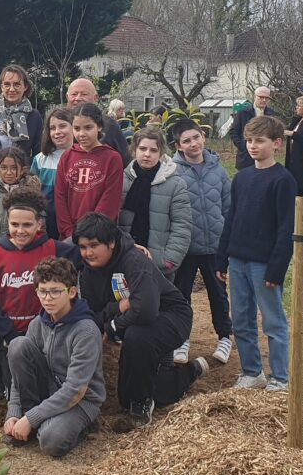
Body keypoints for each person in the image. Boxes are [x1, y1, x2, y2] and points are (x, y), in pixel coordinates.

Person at [75, 214, 207, 429]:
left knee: (137, 336)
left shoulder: (134, 260)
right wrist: (118, 307)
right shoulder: (88, 273)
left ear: (111, 243)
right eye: (83, 247)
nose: (88, 253)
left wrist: (112, 326)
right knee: (124, 397)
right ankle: (188, 372)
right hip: (133, 321)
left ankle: (142, 402)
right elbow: (93, 315)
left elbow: (146, 309)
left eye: (94, 245)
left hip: (172, 316)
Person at [0, 187, 81, 399]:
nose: (20, 230)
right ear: (7, 222)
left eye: (27, 225)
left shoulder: (52, 248)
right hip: (6, 329)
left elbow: (88, 251)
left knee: (35, 385)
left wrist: (129, 246)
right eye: (15, 224)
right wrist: (7, 331)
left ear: (39, 224)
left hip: (41, 329)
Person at [217, 115, 296, 392]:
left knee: (273, 322)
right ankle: (252, 372)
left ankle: (280, 377)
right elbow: (231, 219)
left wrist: (277, 267)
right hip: (238, 259)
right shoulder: (241, 178)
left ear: (276, 143)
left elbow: (286, 229)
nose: (252, 146)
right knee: (241, 319)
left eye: (259, 141)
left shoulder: (283, 180)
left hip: (264, 264)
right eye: (249, 140)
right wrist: (222, 256)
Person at [3, 257, 104, 456]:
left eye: (56, 291)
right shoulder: (36, 324)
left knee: (51, 441)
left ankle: (80, 424)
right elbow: (18, 376)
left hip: (80, 400)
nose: (48, 298)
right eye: (43, 291)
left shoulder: (86, 331)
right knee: (18, 345)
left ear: (72, 292)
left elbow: (75, 390)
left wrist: (31, 419)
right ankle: (33, 419)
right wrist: (14, 412)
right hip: (48, 390)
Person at [170, 119, 233, 365]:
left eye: (196, 137)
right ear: (178, 145)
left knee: (218, 294)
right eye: (186, 141)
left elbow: (228, 207)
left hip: (214, 246)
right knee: (181, 295)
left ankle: (225, 337)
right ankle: (182, 339)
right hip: (185, 246)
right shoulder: (172, 171)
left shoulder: (218, 170)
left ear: (203, 137)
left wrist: (227, 242)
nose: (193, 144)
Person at [118, 128, 192, 280]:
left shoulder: (175, 184)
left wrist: (170, 259)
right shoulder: (120, 180)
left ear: (161, 153)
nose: (147, 154)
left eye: (153, 150)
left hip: (159, 265)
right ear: (134, 150)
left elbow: (182, 225)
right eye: (142, 148)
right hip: (123, 260)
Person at [55, 103, 124, 239]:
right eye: (76, 128)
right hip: (69, 235)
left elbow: (110, 200)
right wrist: (69, 232)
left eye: (88, 128)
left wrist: (91, 232)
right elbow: (60, 196)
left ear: (99, 127)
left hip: (98, 236)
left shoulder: (112, 158)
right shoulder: (67, 156)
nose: (81, 134)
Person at [0, 146, 41, 244]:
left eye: (14, 168)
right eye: (4, 168)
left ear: (22, 170)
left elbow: (40, 223)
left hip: (22, 247)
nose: (9, 173)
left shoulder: (30, 192)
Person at [32, 107, 74, 240]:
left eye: (62, 126)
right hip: (47, 224)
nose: (57, 132)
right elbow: (33, 194)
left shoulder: (82, 158)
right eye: (52, 128)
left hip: (73, 222)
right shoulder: (40, 159)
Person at [65, 77, 130, 159]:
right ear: (67, 97)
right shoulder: (58, 124)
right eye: (74, 94)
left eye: (84, 94)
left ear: (95, 98)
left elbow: (125, 158)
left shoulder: (109, 125)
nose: (78, 98)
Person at [230, 86, 277, 170]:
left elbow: (275, 134)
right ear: (255, 97)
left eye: (266, 98)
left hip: (265, 157)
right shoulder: (243, 113)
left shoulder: (272, 114)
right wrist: (243, 146)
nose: (264, 100)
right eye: (261, 97)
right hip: (245, 158)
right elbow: (234, 132)